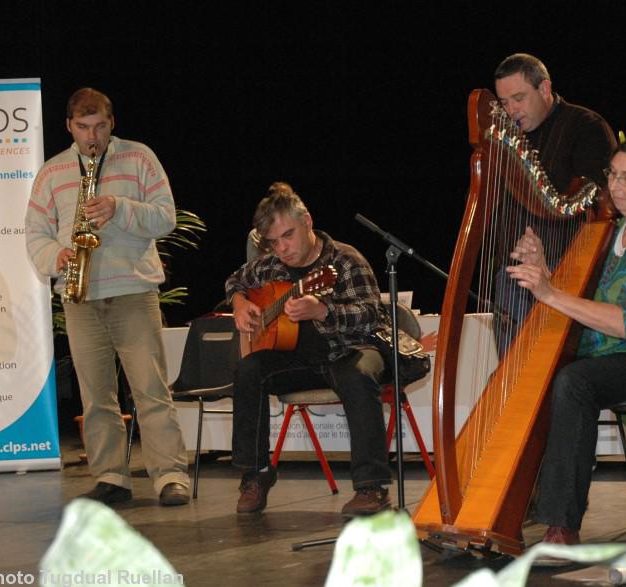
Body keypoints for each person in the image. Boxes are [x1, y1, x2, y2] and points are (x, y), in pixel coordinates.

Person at [506, 132, 626, 551]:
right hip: (608, 355)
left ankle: (562, 523)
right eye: (613, 175)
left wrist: (550, 293)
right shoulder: (606, 234)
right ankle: (507, 502)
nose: (615, 186)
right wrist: (544, 270)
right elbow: (586, 302)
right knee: (530, 374)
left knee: (576, 381)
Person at [26, 87, 191, 506]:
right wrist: (55, 255)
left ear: (111, 123)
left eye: (99, 125)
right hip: (80, 296)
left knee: (150, 389)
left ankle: (171, 475)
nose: (91, 136)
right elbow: (36, 234)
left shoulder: (139, 158)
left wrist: (121, 207)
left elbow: (166, 217)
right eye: (83, 127)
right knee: (96, 395)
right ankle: (111, 476)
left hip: (133, 289)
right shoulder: (51, 173)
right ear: (69, 126)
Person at [225, 182, 391, 515]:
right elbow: (235, 281)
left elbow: (372, 315)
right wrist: (240, 303)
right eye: (274, 242)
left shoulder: (345, 260)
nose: (282, 248)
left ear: (308, 222)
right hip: (300, 361)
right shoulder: (268, 266)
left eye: (288, 235)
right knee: (248, 370)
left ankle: (371, 489)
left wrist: (324, 311)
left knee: (359, 375)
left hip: (350, 348)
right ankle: (255, 475)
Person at [493, 53, 617, 353]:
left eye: (519, 98)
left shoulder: (585, 127)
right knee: (509, 283)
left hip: (571, 266)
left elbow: (601, 201)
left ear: (545, 89)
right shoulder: (505, 142)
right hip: (519, 272)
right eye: (504, 102)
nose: (511, 110)